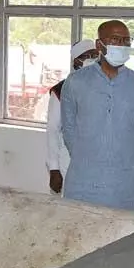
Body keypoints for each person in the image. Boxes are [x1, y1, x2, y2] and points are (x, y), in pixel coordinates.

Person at [61, 20, 134, 211]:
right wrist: (86, 156)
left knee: (123, 236)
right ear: (99, 45)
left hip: (124, 183)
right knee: (78, 232)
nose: (121, 45)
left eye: (126, 41)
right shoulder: (76, 82)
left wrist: (126, 156)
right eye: (115, 40)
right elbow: (68, 127)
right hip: (83, 179)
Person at [46, 40, 99, 194]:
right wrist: (54, 168)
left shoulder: (105, 86)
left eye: (96, 55)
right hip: (69, 160)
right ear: (77, 61)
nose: (93, 59)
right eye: (87, 56)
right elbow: (53, 129)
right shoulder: (61, 90)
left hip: (98, 160)